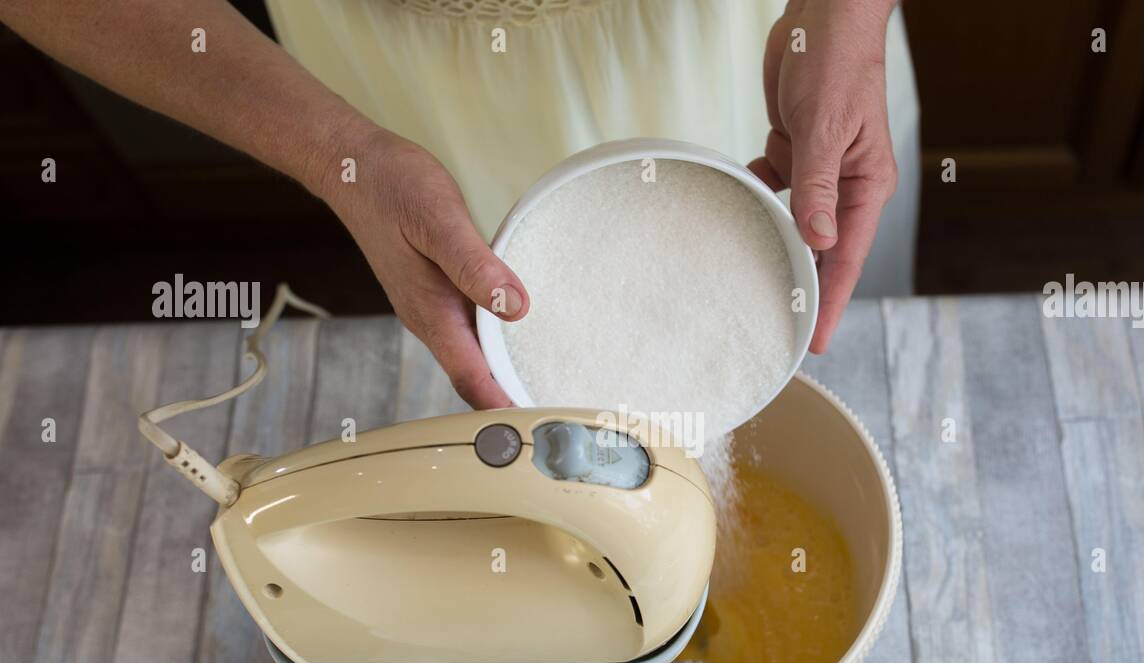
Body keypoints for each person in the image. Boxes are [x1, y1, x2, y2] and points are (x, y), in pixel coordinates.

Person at [1, 0, 918, 409]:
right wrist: (344, 155)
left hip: (759, 40)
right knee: (510, 342)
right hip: (405, 90)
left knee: (819, 312)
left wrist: (849, 13)